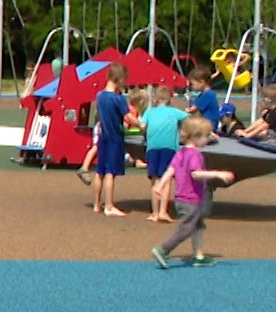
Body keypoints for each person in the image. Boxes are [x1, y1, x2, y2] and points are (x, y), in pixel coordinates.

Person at [150, 117, 237, 268]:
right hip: (190, 199)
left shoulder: (181, 152)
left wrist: (160, 185)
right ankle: (163, 249)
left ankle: (198, 255)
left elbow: (170, 170)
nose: (208, 138)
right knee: (186, 229)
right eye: (206, 135)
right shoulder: (195, 155)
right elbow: (195, 174)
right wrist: (218, 174)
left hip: (182, 198)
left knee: (198, 226)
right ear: (196, 136)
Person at [140, 85, 187, 223]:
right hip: (169, 148)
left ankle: (154, 212)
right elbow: (189, 118)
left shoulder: (150, 112)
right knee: (165, 180)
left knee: (155, 180)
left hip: (153, 148)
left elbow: (142, 126)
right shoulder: (174, 112)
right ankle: (163, 212)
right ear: (169, 99)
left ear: (155, 99)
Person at [90, 62, 131, 217]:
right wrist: (140, 123)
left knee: (100, 171)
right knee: (110, 172)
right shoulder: (117, 98)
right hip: (114, 137)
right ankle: (109, 205)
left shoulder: (99, 96)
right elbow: (127, 117)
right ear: (119, 79)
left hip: (103, 136)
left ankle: (96, 204)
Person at [186, 67, 222, 132]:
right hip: (206, 124)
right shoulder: (205, 94)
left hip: (209, 125)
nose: (192, 86)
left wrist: (186, 110)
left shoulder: (207, 94)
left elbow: (192, 110)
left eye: (193, 84)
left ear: (202, 82)